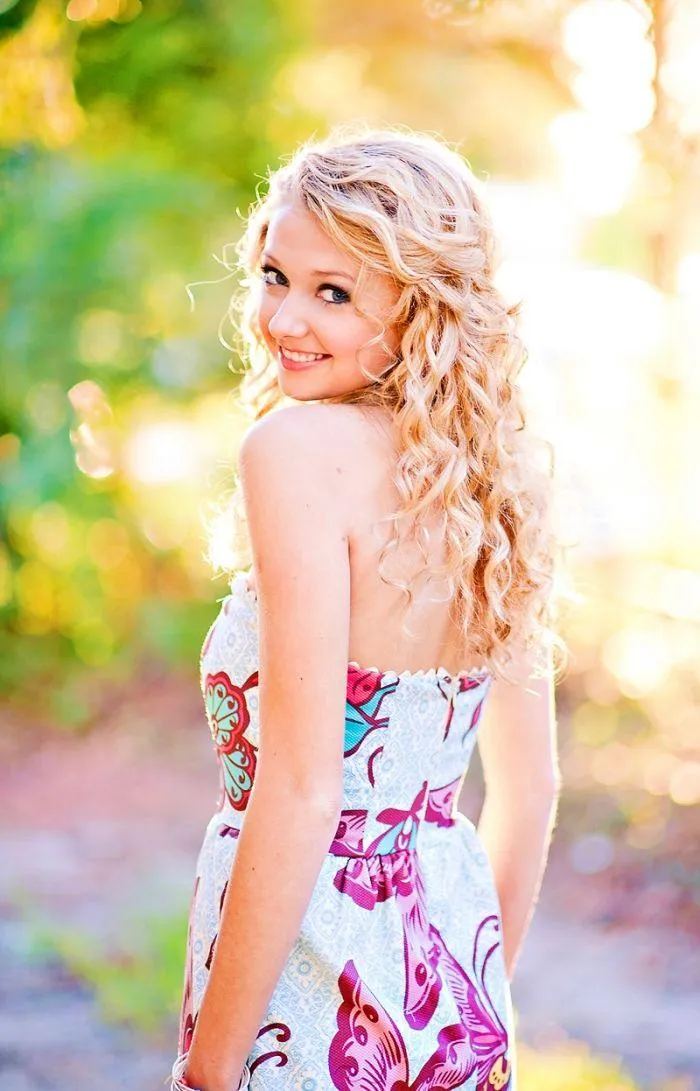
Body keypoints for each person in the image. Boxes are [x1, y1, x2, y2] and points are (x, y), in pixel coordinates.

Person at [170, 126, 565, 1091]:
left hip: (306, 988)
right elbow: (530, 789)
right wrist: (470, 998)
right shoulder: (496, 480)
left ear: (421, 306)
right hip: (451, 996)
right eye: (275, 276)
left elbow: (303, 788)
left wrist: (212, 1067)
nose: (284, 319)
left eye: (334, 292)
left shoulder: (295, 453)